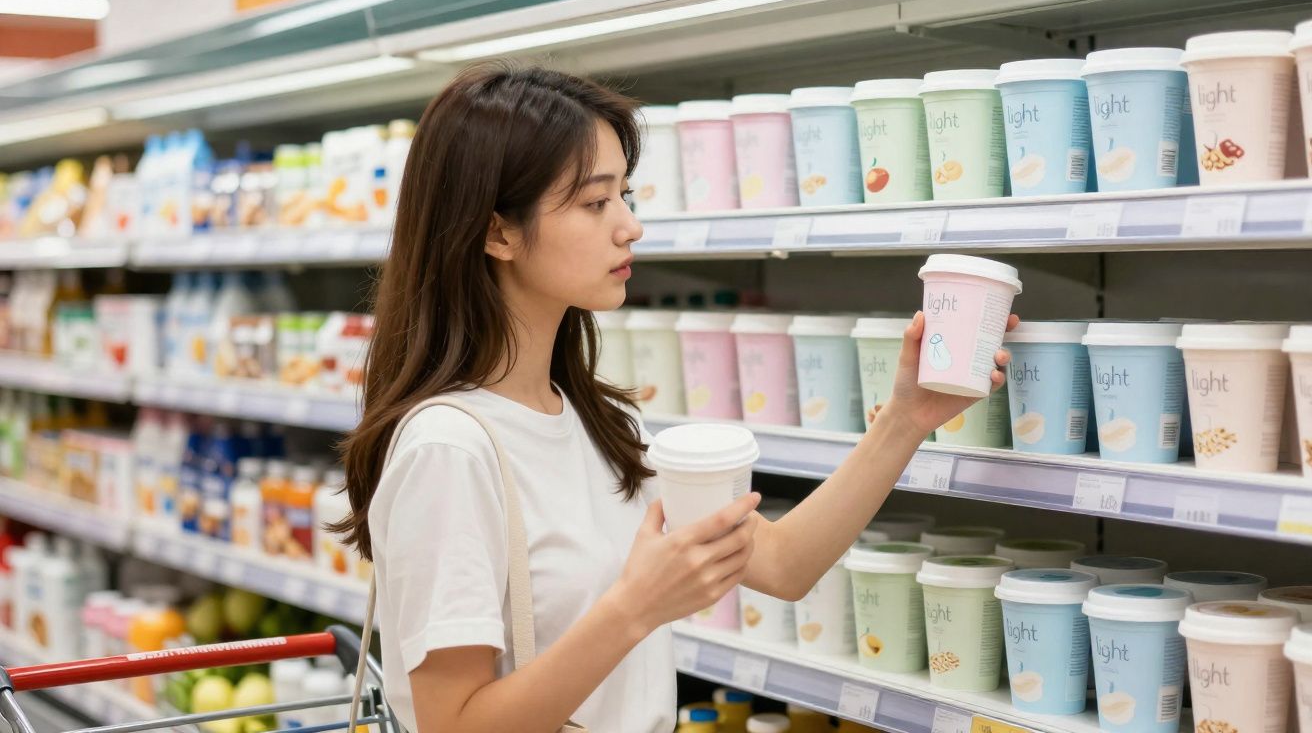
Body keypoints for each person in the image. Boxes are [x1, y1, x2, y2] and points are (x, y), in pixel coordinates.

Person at [333, 63, 1016, 733]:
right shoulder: (449, 451)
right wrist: (636, 606)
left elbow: (781, 565)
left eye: (625, 196)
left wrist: (905, 418)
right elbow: (452, 725)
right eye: (596, 202)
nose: (629, 226)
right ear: (497, 232)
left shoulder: (599, 421)